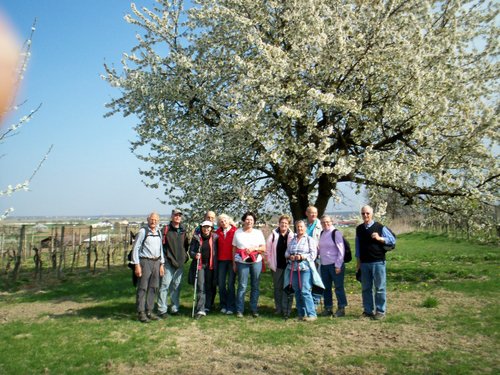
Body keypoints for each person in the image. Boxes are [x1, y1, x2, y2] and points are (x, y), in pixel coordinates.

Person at [355, 205, 396, 320]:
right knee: (366, 288)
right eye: (363, 213)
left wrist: (380, 238)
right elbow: (357, 247)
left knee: (380, 288)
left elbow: (392, 240)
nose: (365, 215)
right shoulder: (359, 229)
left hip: (378, 262)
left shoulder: (380, 227)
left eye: (367, 213)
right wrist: (358, 263)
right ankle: (368, 311)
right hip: (364, 263)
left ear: (372, 214)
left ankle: (380, 311)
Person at [131, 212, 164, 323]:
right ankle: (141, 312)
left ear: (158, 221)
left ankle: (149, 310)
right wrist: (137, 265)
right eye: (151, 219)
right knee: (143, 287)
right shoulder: (143, 232)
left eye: (155, 220)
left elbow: (161, 249)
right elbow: (136, 249)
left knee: (154, 287)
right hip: (145, 261)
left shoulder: (159, 232)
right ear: (148, 219)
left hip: (157, 261)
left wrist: (162, 264)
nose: (153, 221)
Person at [232, 211, 266, 318]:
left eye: (251, 220)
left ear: (254, 222)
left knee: (255, 285)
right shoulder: (238, 232)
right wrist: (234, 263)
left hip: (256, 262)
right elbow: (234, 248)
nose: (249, 221)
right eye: (247, 219)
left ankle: (254, 309)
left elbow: (263, 248)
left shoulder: (258, 233)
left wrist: (254, 248)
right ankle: (239, 309)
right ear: (243, 220)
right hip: (242, 262)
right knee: (242, 285)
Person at [157, 208, 189, 317]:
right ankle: (162, 309)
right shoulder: (165, 230)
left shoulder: (183, 230)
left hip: (179, 263)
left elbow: (186, 245)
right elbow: (161, 246)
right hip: (168, 262)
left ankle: (175, 308)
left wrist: (184, 256)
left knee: (176, 286)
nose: (178, 217)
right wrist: (163, 261)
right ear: (172, 216)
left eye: (179, 215)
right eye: (176, 215)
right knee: (164, 285)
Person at [285, 220, 318, 321]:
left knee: (305, 291)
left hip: (305, 268)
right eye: (298, 227)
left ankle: (312, 314)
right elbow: (286, 253)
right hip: (293, 269)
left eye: (301, 227)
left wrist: (301, 256)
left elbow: (313, 255)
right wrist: (290, 256)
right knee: (297, 292)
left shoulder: (309, 240)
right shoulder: (292, 240)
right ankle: (301, 314)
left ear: (305, 228)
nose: (300, 229)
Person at [265, 214, 294, 318]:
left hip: (289, 266)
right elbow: (267, 250)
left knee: (288, 288)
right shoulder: (273, 234)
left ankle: (287, 308)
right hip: (276, 265)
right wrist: (269, 261)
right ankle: (278, 308)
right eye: (282, 223)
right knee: (278, 288)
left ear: (288, 224)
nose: (284, 225)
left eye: (286, 223)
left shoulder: (292, 235)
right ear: (279, 223)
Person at [318, 215, 348, 317]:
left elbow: (341, 250)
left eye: (327, 222)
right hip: (324, 265)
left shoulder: (336, 233)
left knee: (338, 287)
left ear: (331, 222)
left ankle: (341, 308)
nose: (325, 224)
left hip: (335, 265)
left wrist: (338, 265)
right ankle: (328, 308)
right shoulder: (322, 233)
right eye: (323, 222)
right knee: (326, 288)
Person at [189, 220, 218, 319]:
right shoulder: (197, 238)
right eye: (204, 227)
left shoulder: (215, 238)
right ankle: (200, 309)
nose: (206, 229)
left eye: (208, 227)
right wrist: (194, 255)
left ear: (211, 229)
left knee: (209, 286)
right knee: (201, 286)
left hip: (210, 266)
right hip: (200, 265)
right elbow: (191, 251)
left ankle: (207, 306)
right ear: (201, 228)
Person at [215, 213, 237, 315]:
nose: (223, 223)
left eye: (225, 220)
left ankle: (231, 306)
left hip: (232, 260)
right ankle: (223, 304)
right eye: (221, 221)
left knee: (231, 284)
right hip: (221, 261)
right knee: (221, 284)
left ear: (229, 221)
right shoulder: (217, 232)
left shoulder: (235, 231)